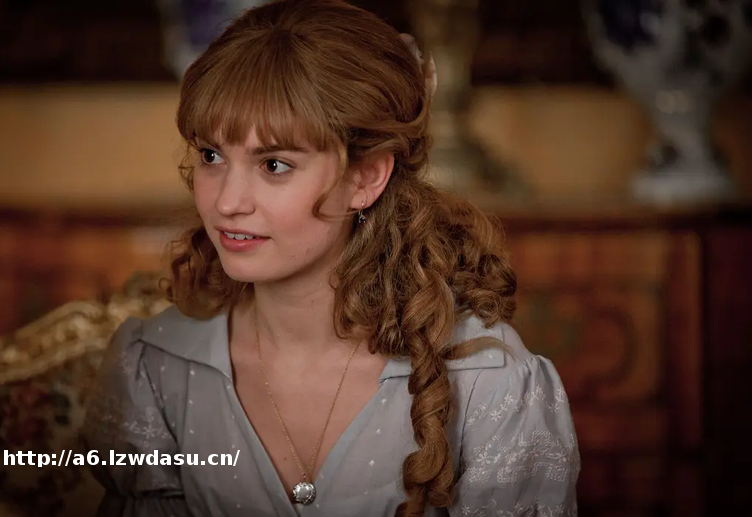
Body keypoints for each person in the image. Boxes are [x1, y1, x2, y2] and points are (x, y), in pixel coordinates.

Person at [80, 0, 580, 515]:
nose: (227, 202)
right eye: (212, 156)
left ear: (366, 177)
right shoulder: (156, 366)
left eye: (274, 165)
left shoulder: (491, 382)